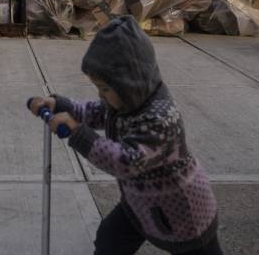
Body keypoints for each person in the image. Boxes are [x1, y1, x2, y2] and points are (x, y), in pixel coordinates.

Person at [28, 16, 222, 255]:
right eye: (98, 87)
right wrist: (62, 105)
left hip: (182, 211)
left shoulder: (160, 119)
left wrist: (79, 134)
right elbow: (96, 112)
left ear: (130, 82)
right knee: (110, 240)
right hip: (140, 203)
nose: (100, 95)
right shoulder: (124, 103)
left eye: (105, 88)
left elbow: (127, 161)